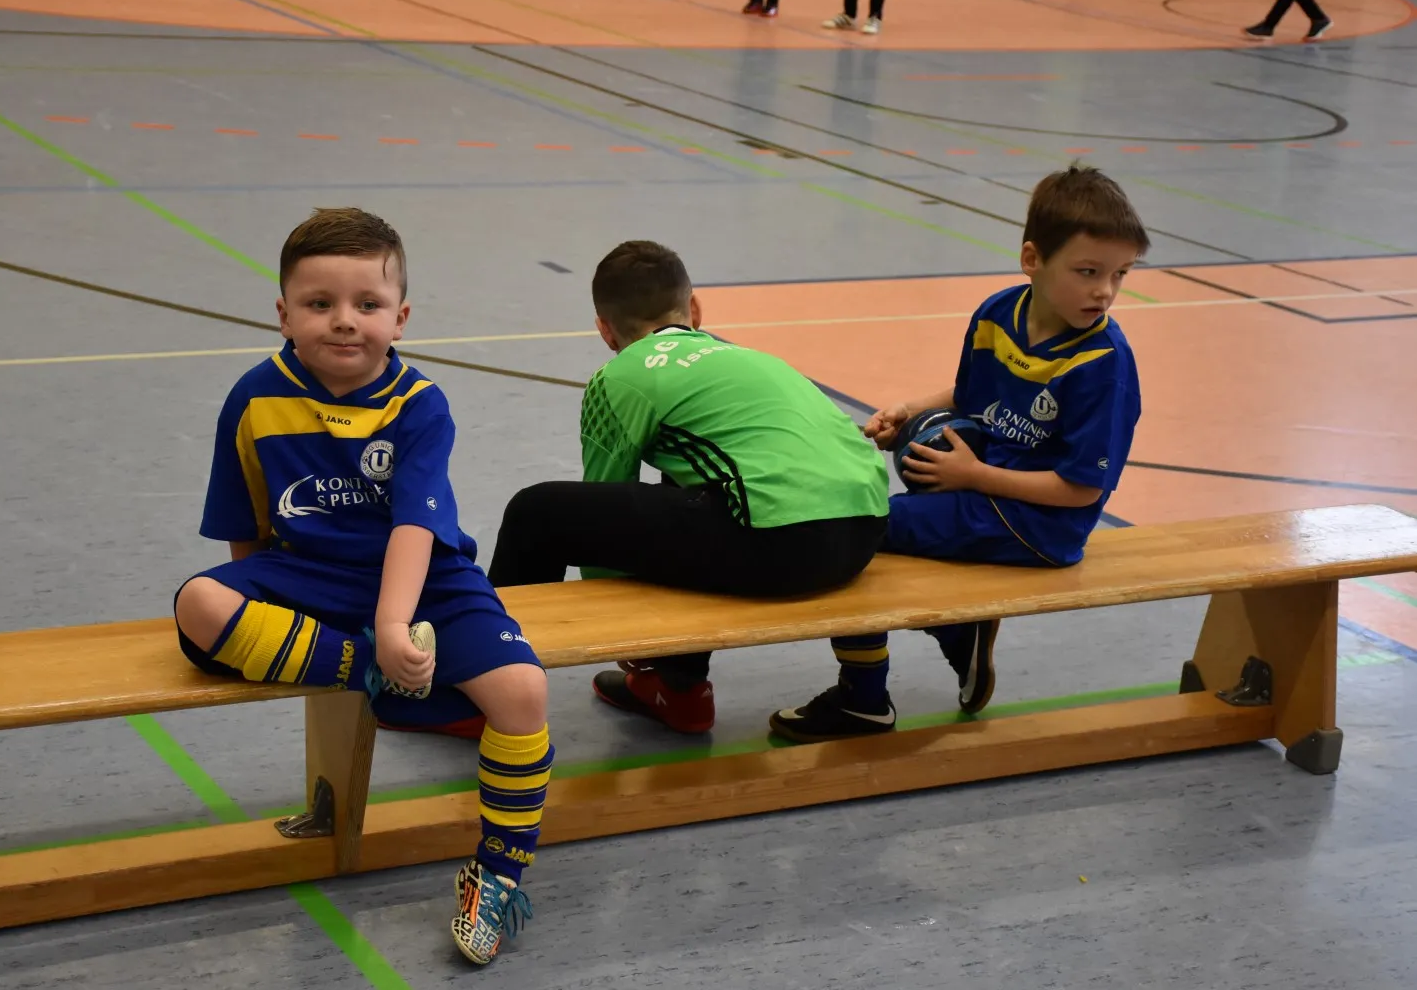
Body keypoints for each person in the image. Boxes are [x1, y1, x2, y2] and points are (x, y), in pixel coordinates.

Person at [172, 208, 550, 966]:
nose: (344, 321)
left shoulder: (419, 403)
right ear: (283, 314)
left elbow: (414, 526)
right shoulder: (254, 397)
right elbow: (246, 524)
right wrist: (260, 606)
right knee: (200, 604)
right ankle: (372, 674)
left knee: (523, 692)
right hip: (308, 570)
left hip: (424, 577)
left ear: (400, 318)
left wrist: (393, 623)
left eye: (367, 304)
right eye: (319, 304)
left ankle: (497, 875)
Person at [772, 164, 1147, 741]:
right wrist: (908, 410)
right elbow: (970, 396)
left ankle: (863, 699)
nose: (1105, 291)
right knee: (878, 497)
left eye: (1120, 274)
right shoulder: (998, 314)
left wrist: (973, 475)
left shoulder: (1104, 364)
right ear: (1032, 260)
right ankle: (958, 628)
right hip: (980, 487)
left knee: (853, 529)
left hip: (1037, 524)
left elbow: (1081, 490)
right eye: (1088, 271)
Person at [486, 239, 888, 734]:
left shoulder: (620, 375)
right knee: (689, 491)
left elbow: (602, 530)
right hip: (865, 533)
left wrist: (630, 634)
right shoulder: (752, 360)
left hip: (780, 543)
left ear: (605, 330)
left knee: (536, 512)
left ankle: (484, 685)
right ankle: (678, 687)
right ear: (694, 309)